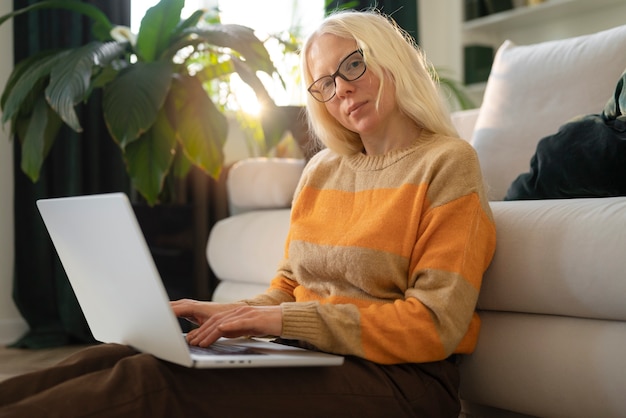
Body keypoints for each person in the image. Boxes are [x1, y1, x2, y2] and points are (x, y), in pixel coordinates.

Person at [0, 9, 495, 418]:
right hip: (311, 357)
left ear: (392, 60)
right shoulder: (323, 169)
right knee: (121, 358)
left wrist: (281, 323)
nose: (340, 88)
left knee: (154, 384)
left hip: (400, 382)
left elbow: (433, 325)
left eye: (352, 66)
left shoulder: (447, 164)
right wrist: (223, 314)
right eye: (323, 82)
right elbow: (287, 287)